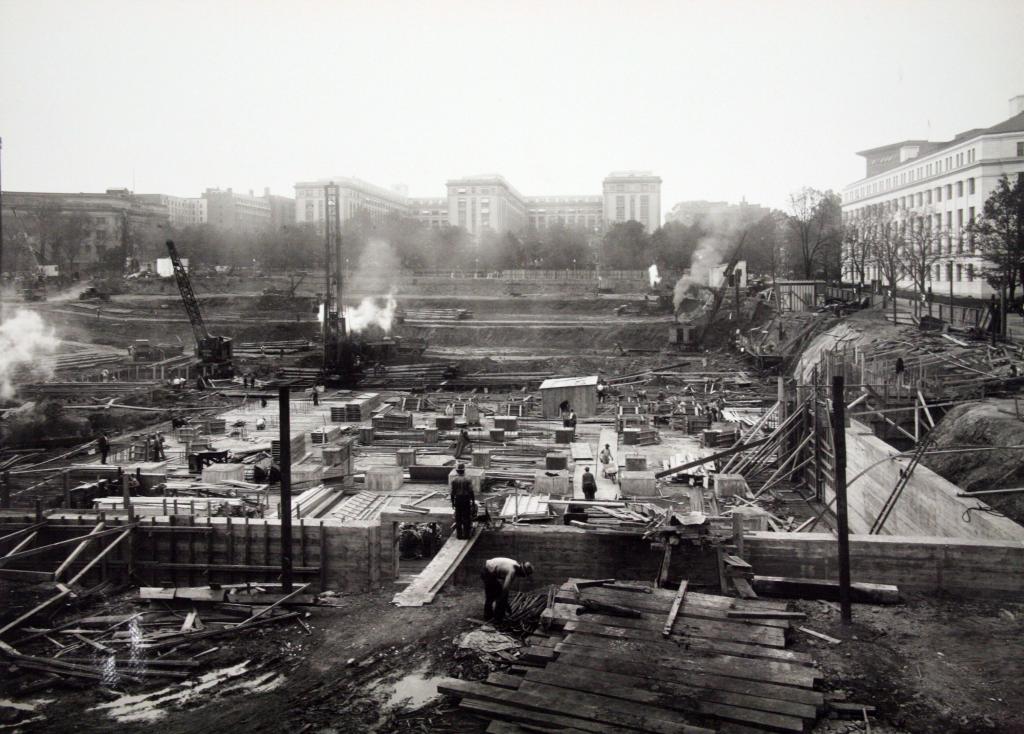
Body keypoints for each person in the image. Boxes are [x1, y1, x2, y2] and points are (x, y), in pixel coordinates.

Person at [481, 557, 533, 623]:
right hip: (487, 572)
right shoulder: (512, 571)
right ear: (522, 572)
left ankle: (495, 615)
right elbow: (505, 590)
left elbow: (505, 588)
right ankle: (489, 617)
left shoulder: (515, 564)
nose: (520, 577)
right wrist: (504, 604)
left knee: (498, 592)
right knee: (491, 595)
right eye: (522, 575)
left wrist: (505, 603)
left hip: (490, 572)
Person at [450, 464, 476, 540]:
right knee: (466, 517)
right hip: (466, 499)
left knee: (458, 518)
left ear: (457, 471)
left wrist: (452, 502)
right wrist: (473, 501)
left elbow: (452, 493)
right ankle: (466, 535)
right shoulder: (468, 479)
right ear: (464, 470)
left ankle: (459, 535)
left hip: (458, 500)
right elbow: (471, 491)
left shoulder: (454, 480)